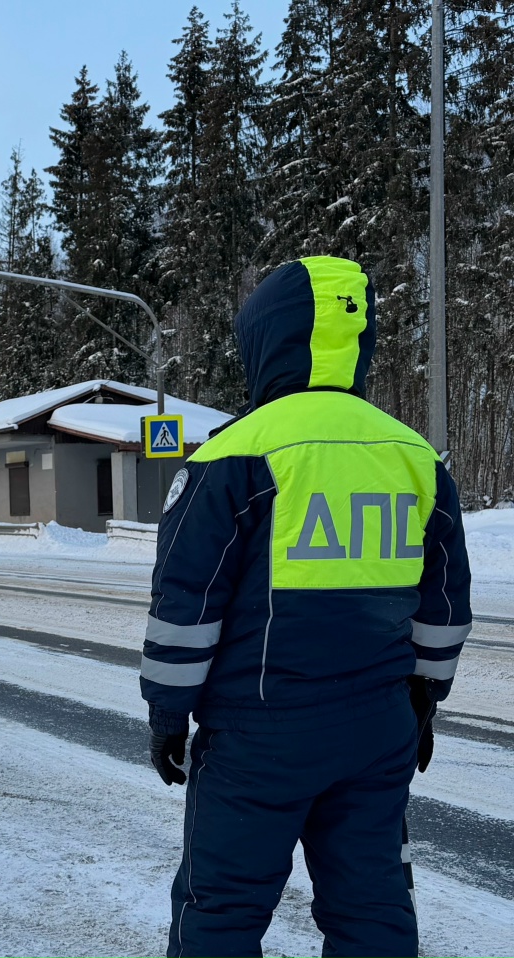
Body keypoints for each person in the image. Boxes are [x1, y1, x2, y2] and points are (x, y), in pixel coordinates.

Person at [141, 256, 471, 957]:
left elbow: (186, 605)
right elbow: (443, 607)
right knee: (372, 903)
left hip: (259, 736)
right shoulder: (415, 457)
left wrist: (169, 713)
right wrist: (425, 698)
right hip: (379, 729)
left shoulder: (236, 452)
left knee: (221, 908)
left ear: (265, 340)